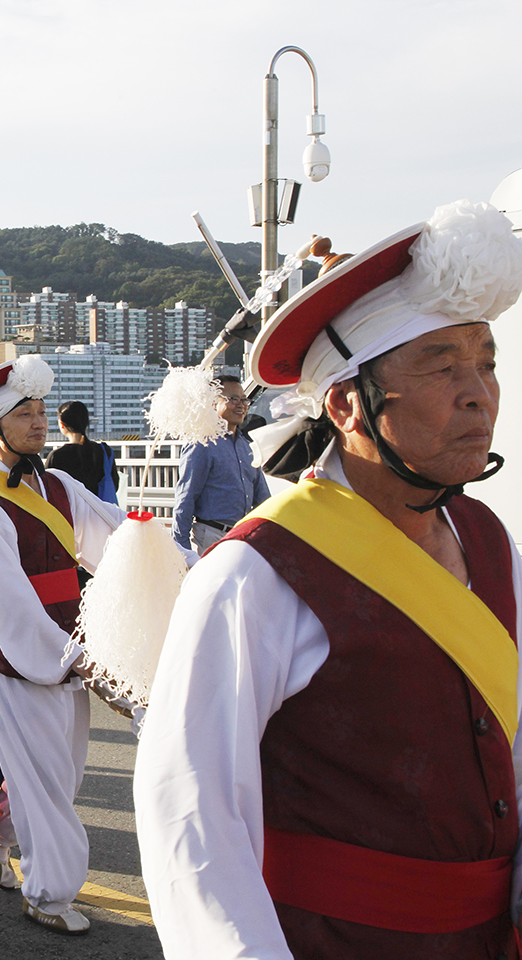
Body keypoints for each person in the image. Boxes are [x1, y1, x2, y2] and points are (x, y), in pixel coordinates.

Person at [135, 200, 522, 958]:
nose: (479, 392)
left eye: (486, 361)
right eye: (443, 366)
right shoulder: (253, 575)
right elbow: (191, 822)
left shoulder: (490, 540)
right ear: (347, 404)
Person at [0, 355, 131, 935]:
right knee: (50, 782)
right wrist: (72, 655)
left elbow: (110, 536)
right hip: (21, 659)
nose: (38, 422)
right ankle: (48, 893)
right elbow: (10, 605)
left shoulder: (55, 482)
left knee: (63, 775)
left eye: (41, 411)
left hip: (69, 645)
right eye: (23, 414)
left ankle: (1, 830)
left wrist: (166, 560)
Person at [171, 375, 270, 550]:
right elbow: (186, 497)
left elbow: (263, 499)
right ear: (212, 403)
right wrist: (182, 548)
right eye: (233, 399)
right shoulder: (202, 444)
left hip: (244, 536)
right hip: (213, 535)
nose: (241, 405)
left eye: (244, 400)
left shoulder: (248, 447)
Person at [44, 402, 118, 503]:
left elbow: (47, 490)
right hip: (100, 514)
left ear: (62, 424)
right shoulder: (104, 451)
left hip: (71, 515)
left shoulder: (56, 456)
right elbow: (114, 485)